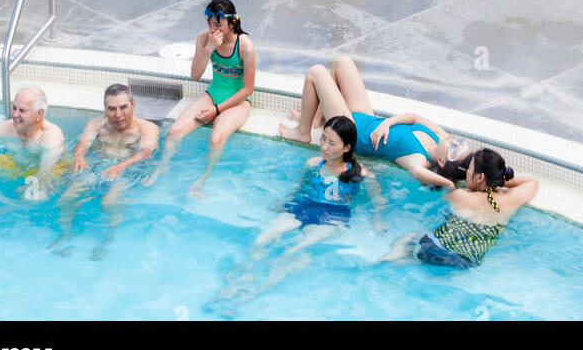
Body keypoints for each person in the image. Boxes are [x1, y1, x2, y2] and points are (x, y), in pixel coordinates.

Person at [208, 115, 373, 312]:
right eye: (323, 139)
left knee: (293, 250)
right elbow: (301, 188)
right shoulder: (313, 164)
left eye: (331, 143)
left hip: (332, 216)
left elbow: (376, 201)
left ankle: (250, 296)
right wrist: (286, 203)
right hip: (303, 206)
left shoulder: (359, 174)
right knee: (263, 238)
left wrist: (377, 221)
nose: (324, 147)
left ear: (346, 148)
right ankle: (238, 279)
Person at [279, 55, 460, 189]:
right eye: (458, 143)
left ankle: (303, 131)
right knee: (343, 62)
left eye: (454, 148)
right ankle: (316, 118)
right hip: (367, 117)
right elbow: (414, 117)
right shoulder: (441, 137)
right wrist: (387, 123)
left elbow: (417, 173)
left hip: (352, 130)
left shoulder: (418, 160)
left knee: (316, 72)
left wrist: (449, 184)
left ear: (442, 161)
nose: (453, 141)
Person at [144, 0, 255, 195]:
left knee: (216, 138)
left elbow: (247, 89)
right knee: (175, 131)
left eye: (218, 24)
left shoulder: (245, 46)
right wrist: (208, 49)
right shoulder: (204, 38)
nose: (213, 29)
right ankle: (163, 166)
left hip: (238, 101)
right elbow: (195, 75)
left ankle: (203, 178)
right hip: (213, 93)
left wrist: (217, 111)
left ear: (232, 23)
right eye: (209, 24)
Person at [49, 83, 159, 259]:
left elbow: (145, 152)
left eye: (123, 107)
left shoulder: (146, 128)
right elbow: (82, 145)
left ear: (133, 104)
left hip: (128, 167)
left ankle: (107, 240)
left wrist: (122, 165)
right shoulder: (96, 125)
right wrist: (79, 156)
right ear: (105, 108)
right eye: (112, 109)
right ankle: (66, 235)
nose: (118, 114)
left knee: (109, 202)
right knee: (66, 198)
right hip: (99, 165)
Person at [380, 147, 538, 268]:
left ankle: (387, 260)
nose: (467, 171)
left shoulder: (461, 196)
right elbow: (533, 183)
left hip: (435, 247)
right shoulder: (511, 200)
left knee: (411, 237)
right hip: (467, 261)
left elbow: (442, 197)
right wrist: (499, 180)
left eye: (470, 168)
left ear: (480, 176)